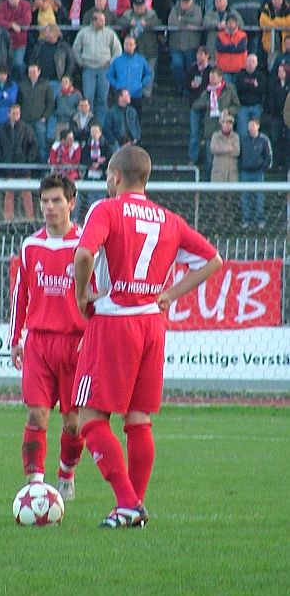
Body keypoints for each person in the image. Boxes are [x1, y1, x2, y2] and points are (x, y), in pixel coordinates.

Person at [72, 145, 222, 528]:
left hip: (115, 321)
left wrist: (81, 294)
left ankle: (126, 502)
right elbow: (213, 260)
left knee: (89, 417)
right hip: (152, 325)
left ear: (116, 177)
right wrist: (169, 294)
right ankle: (134, 506)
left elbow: (84, 254)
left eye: (109, 176)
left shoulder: (106, 209)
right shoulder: (169, 219)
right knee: (138, 420)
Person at [9, 173, 85, 500]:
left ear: (71, 203)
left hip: (76, 344)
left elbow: (97, 296)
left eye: (56, 201)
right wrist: (16, 338)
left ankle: (66, 475)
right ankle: (35, 488)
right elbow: (20, 295)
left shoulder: (85, 246)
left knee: (73, 423)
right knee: (37, 414)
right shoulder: (30, 245)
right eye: (44, 201)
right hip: (39, 342)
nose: (49, 207)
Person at [72, 10, 122, 124]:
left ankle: (100, 125)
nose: (104, 22)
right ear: (94, 20)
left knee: (102, 98)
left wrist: (111, 62)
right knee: (88, 98)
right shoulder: (83, 33)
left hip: (104, 69)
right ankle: (88, 124)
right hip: (88, 69)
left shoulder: (110, 33)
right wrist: (80, 62)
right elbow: (75, 48)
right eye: (101, 20)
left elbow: (118, 50)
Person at [0, 103, 37, 220]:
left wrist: (28, 161)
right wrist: (3, 160)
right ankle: (8, 218)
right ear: (8, 114)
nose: (16, 116)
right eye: (13, 113)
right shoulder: (2, 129)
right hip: (9, 165)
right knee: (9, 193)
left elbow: (33, 145)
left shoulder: (26, 128)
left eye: (18, 113)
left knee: (26, 193)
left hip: (23, 165)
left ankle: (30, 218)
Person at [106, 35, 151, 120]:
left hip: (136, 94)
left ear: (135, 46)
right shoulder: (117, 60)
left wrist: (142, 84)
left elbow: (148, 73)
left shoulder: (140, 60)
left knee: (136, 119)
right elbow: (109, 75)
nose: (128, 46)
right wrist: (117, 85)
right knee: (120, 119)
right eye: (126, 44)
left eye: (130, 44)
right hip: (121, 96)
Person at [239, 117, 272, 230]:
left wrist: (263, 167)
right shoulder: (244, 140)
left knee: (259, 198)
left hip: (258, 173)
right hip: (245, 173)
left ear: (258, 126)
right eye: (249, 125)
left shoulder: (263, 140)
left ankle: (260, 219)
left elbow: (268, 156)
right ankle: (246, 220)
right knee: (245, 197)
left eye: (253, 125)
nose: (250, 128)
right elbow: (240, 155)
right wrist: (242, 166)